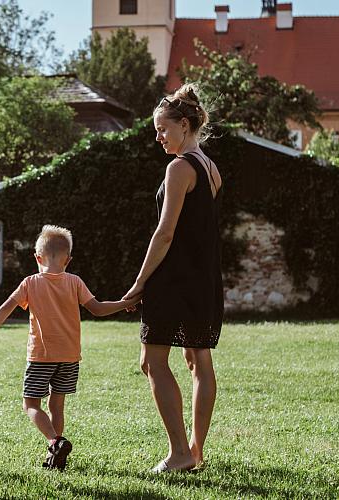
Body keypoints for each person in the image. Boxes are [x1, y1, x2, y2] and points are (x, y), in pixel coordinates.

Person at [122, 83, 223, 473]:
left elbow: (165, 232)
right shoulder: (211, 169)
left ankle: (181, 452)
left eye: (163, 129)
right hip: (202, 279)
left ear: (184, 124)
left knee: (152, 360)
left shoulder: (179, 167)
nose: (158, 137)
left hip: (174, 280)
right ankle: (194, 451)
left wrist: (139, 282)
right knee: (199, 361)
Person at [0, 225, 136, 470]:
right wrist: (124, 303)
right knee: (57, 406)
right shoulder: (75, 282)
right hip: (69, 357)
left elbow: (4, 309)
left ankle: (55, 441)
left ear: (37, 258)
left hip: (41, 356)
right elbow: (97, 308)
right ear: (68, 259)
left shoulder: (30, 283)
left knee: (30, 405)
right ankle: (55, 456)